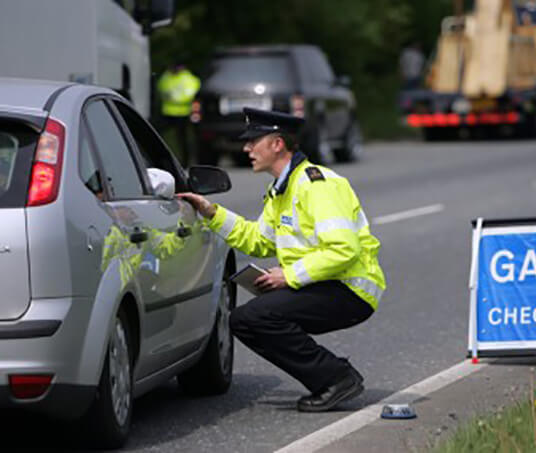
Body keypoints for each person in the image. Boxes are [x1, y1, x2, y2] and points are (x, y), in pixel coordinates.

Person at [178, 108, 386, 412]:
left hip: (351, 289)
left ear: (277, 144)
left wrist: (289, 277)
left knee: (256, 317)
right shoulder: (282, 189)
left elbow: (344, 249)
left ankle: (336, 378)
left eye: (253, 141)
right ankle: (333, 376)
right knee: (244, 320)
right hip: (323, 283)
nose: (246, 149)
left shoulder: (318, 185)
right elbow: (258, 241)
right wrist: (211, 212)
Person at [157, 62, 201, 167]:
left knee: (183, 140)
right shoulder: (166, 77)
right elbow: (160, 88)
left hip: (183, 113)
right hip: (168, 112)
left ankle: (185, 162)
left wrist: (173, 98)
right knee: (159, 135)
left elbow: (189, 94)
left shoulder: (188, 78)